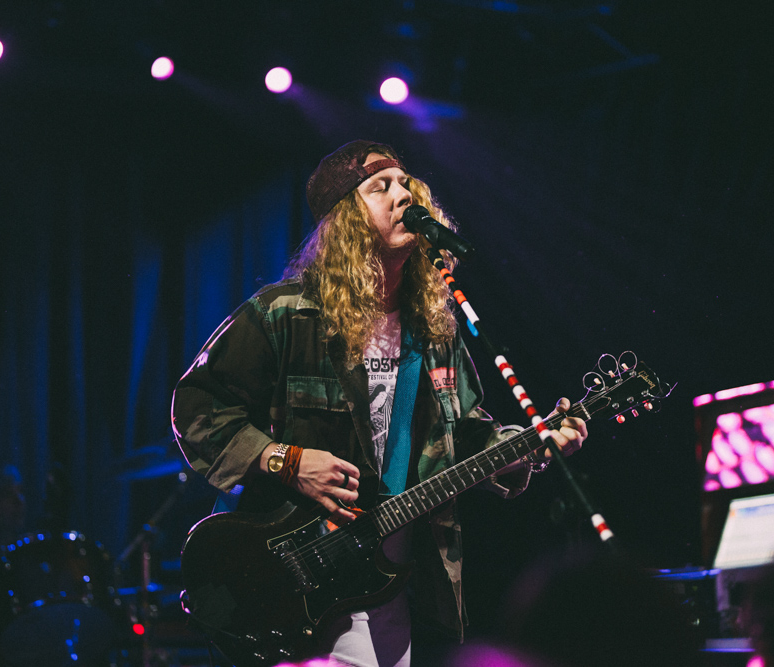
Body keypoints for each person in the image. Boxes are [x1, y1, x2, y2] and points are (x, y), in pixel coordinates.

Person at [171, 140, 588, 667]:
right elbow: (196, 407)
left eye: (405, 182)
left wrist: (532, 445)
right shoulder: (286, 314)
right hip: (292, 568)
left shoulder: (433, 332)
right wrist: (288, 461)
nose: (401, 194)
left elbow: (466, 436)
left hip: (387, 580)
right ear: (345, 221)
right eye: (380, 186)